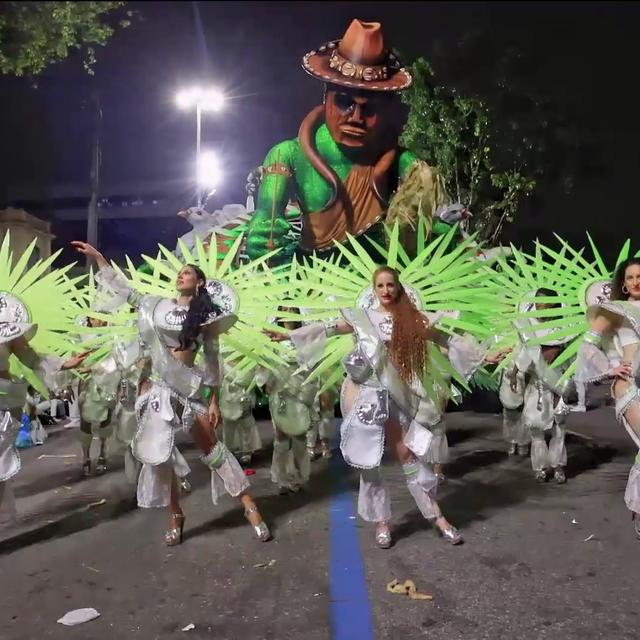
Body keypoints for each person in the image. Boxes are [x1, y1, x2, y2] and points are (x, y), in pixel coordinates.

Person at [267, 266, 506, 548]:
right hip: (366, 396)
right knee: (370, 462)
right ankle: (382, 522)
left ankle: (437, 516)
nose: (386, 291)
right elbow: (330, 329)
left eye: (390, 285)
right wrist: (289, 336)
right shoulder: (363, 318)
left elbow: (444, 339)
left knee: (408, 457)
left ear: (398, 287)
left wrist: (484, 356)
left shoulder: (411, 319)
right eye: (380, 286)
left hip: (397, 397)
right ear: (373, 290)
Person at [72, 240, 271, 545]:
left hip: (188, 390)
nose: (181, 276)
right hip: (159, 390)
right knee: (160, 457)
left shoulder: (206, 317)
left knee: (214, 451)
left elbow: (212, 360)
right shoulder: (156, 306)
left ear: (200, 282)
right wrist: (100, 258)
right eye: (179, 273)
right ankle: (175, 515)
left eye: (187, 273)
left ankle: (249, 506)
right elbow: (125, 290)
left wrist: (214, 399)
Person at [576, 257, 640, 537]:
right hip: (629, 387)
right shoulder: (616, 309)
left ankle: (637, 509)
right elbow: (587, 347)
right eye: (630, 278)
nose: (636, 282)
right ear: (623, 285)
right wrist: (610, 368)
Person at [259, 308, 317, 494]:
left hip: (301, 391)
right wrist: (264, 381)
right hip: (280, 391)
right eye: (283, 309)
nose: (287, 312)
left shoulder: (305, 337)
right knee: (281, 437)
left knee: (299, 434)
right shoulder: (271, 338)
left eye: (291, 309)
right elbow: (263, 360)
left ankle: (299, 476)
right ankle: (281, 477)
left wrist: (308, 391)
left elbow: (314, 363)